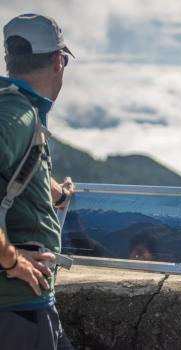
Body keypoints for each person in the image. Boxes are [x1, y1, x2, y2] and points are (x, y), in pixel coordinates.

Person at [0, 14, 75, 349]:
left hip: (25, 306)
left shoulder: (17, 106)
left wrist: (49, 189)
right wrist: (11, 260)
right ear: (59, 60)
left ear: (8, 60)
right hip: (16, 308)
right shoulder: (17, 113)